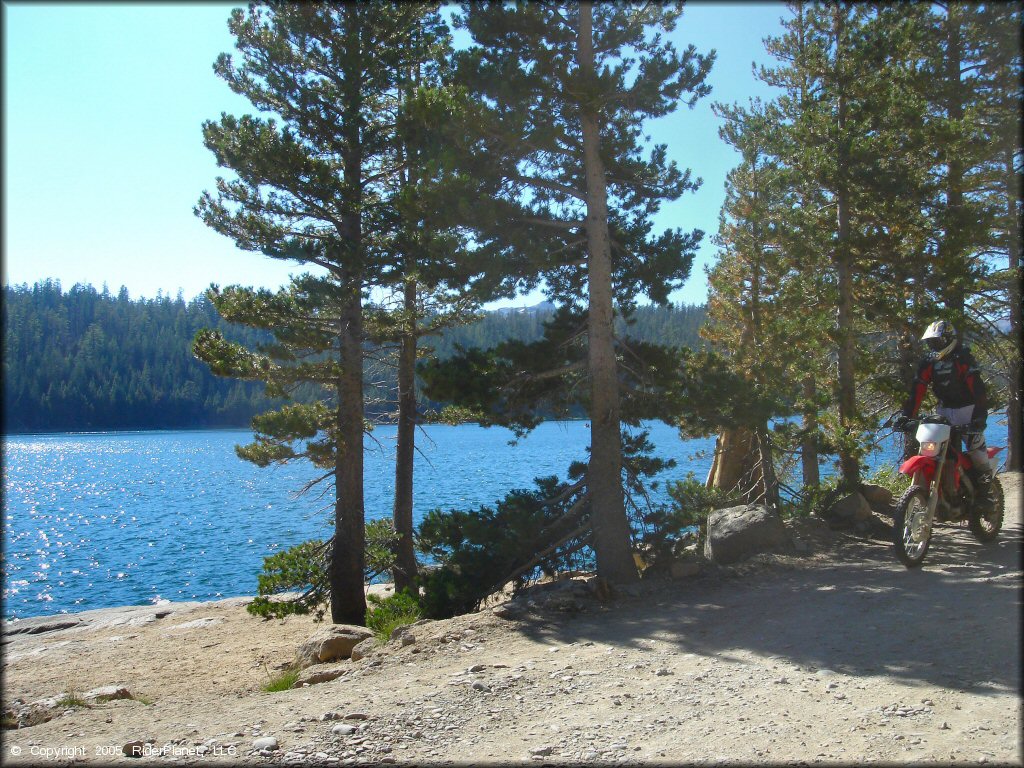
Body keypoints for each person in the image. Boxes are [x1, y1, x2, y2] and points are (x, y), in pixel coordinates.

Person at [899, 320, 993, 507]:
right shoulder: (929, 362)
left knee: (976, 449)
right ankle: (946, 491)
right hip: (944, 411)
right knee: (936, 450)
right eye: (931, 342)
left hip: (968, 410)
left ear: (949, 339)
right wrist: (907, 415)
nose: (933, 345)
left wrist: (980, 417)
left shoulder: (962, 358)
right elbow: (918, 388)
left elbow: (978, 388)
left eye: (937, 341)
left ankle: (986, 494)